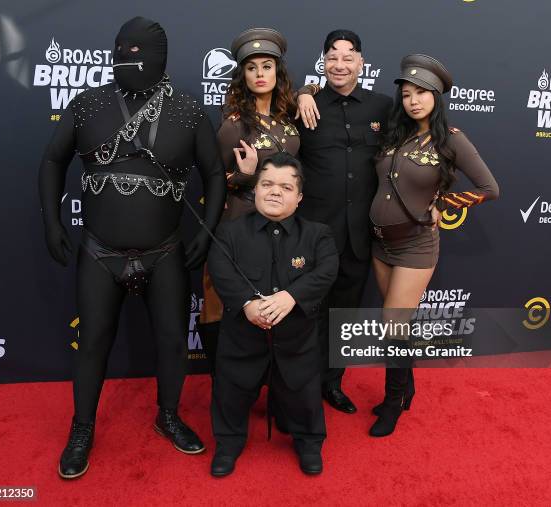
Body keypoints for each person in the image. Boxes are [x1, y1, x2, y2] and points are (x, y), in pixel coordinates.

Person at [38, 17, 225, 479]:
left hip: (166, 250)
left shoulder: (187, 109)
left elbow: (216, 174)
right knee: (92, 345)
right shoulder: (88, 104)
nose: (128, 58)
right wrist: (51, 221)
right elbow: (52, 159)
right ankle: (82, 427)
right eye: (122, 50)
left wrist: (207, 230)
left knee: (172, 343)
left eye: (138, 51)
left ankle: (168, 416)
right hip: (101, 251)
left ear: (159, 58)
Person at [368, 54, 499, 437]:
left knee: (392, 324)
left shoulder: (451, 139)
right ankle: (405, 387)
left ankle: (393, 403)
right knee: (395, 323)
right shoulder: (394, 133)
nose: (413, 100)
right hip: (379, 243)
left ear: (437, 97)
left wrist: (443, 204)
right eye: (407, 93)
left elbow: (490, 189)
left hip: (415, 246)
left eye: (422, 93)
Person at [206, 152, 339, 477]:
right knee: (230, 389)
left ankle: (307, 441)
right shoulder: (230, 233)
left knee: (303, 391)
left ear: (299, 196)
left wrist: (290, 297)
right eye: (267, 184)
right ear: (256, 189)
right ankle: (228, 442)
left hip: (297, 340)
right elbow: (221, 271)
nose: (275, 192)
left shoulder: (318, 234)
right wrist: (248, 304)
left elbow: (327, 270)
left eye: (285, 186)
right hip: (242, 337)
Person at [199, 27, 320, 371]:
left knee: (275, 299)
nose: (260, 74)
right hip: (240, 221)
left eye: (267, 66)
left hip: (284, 224)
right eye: (252, 68)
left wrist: (308, 90)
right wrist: (245, 175)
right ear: (243, 76)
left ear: (277, 72)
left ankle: (269, 377)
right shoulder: (234, 125)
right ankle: (224, 375)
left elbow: (325, 88)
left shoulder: (289, 116)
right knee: (229, 301)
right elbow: (213, 181)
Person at [296, 30, 393, 414]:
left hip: (360, 234)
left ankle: (331, 384)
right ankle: (298, 388)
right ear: (323, 61)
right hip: (312, 235)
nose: (340, 64)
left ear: (361, 63)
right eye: (332, 56)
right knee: (305, 315)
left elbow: (416, 137)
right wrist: (305, 90)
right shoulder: (304, 104)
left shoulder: (383, 107)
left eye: (348, 57)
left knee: (344, 318)